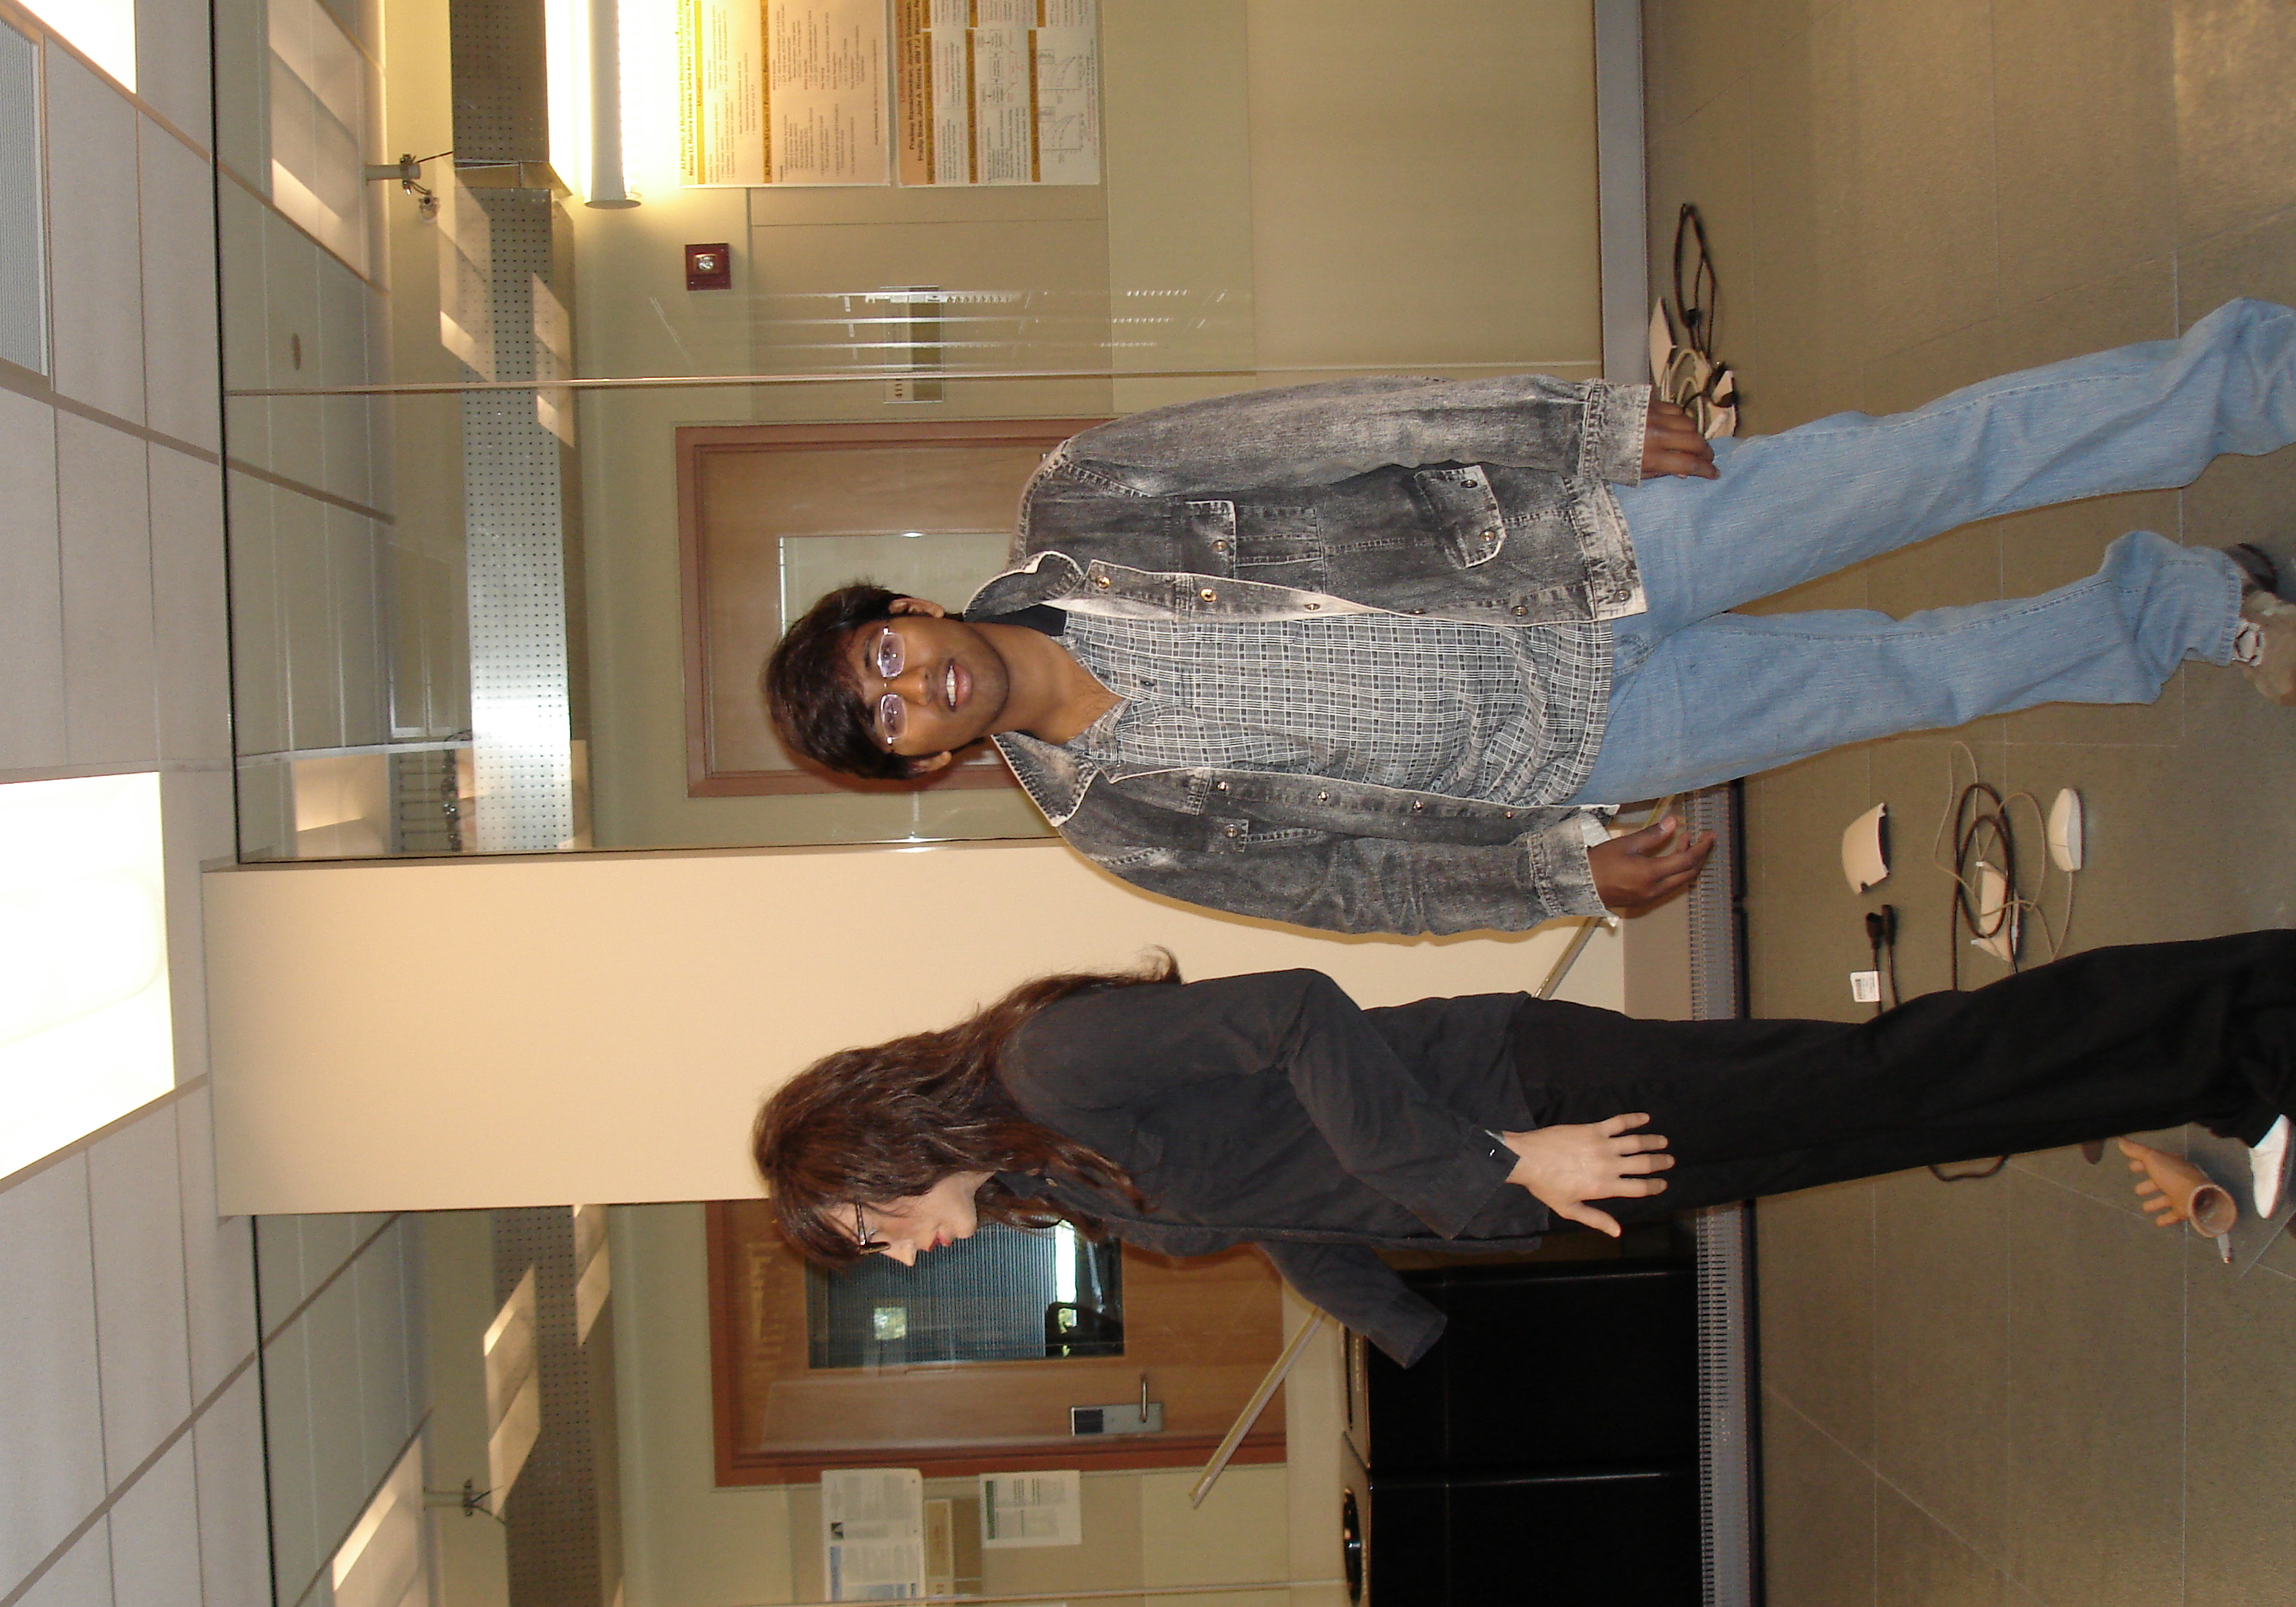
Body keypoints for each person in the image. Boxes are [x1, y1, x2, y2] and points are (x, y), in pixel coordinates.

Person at [764, 299, 2296, 937]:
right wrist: (1559, 880)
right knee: (1921, 680)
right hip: (1586, 747)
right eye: (888, 720)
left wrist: (1576, 426)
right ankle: (2193, 607)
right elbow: (1359, 889)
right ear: (922, 764)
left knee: (1920, 465)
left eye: (887, 656)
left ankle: (2246, 377)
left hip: (1582, 550)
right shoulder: (1120, 829)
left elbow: (1332, 429)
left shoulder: (1083, 499)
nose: (917, 688)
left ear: (909, 609)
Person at [754, 933, 2296, 1367]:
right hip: (1539, 1168)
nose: (904, 1254)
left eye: (871, 1230)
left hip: (1532, 1094)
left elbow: (1297, 1015)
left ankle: (2251, 1007)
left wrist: (1502, 1167)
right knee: (1900, 1118)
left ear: (876, 1145)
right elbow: (1282, 1205)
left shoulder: (1054, 1062)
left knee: (1903, 1072)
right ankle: (2229, 1074)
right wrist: (1409, 1332)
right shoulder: (1050, 1180)